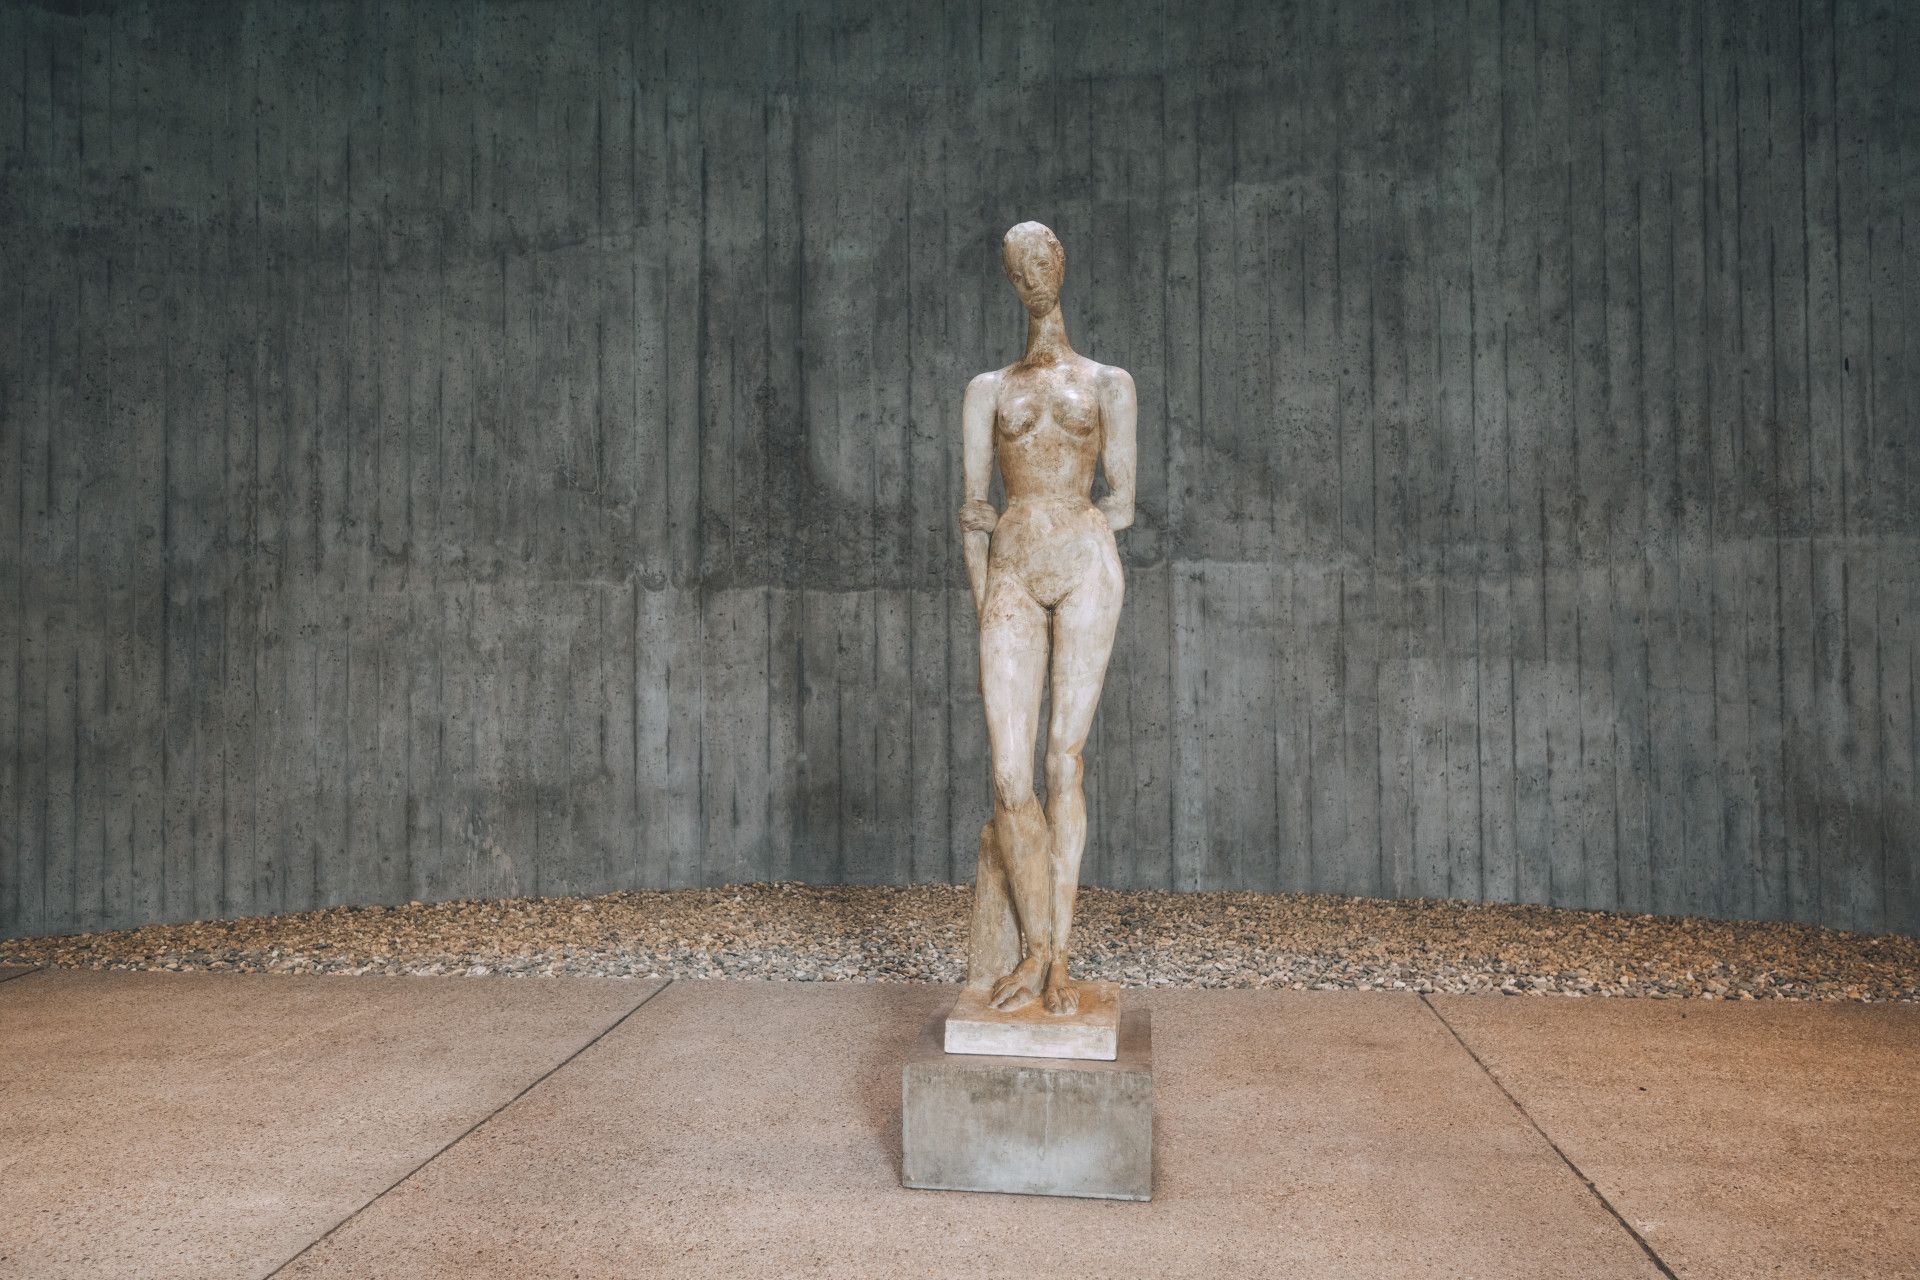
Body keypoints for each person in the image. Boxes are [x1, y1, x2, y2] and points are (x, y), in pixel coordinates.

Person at [959, 221, 1136, 1015]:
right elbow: (973, 511)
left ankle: (1055, 957)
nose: (1031, 275)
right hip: (1012, 569)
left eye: (1042, 260)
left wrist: (1080, 538)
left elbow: (1121, 500)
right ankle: (1034, 951)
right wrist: (986, 601)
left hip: (1084, 557)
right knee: (1007, 773)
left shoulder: (1109, 383)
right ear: (1008, 278)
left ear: (1062, 265)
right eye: (1016, 265)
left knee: (1063, 759)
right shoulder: (987, 390)